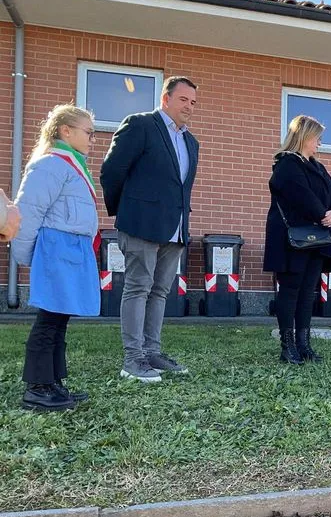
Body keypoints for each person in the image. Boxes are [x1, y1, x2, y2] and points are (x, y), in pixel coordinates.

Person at [101, 76, 200, 382]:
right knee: (138, 287)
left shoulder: (190, 141)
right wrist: (128, 211)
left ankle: (152, 353)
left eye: (194, 102)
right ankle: (132, 360)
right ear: (166, 99)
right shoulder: (141, 125)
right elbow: (112, 171)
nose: (189, 107)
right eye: (183, 99)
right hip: (141, 223)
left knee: (160, 291)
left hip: (175, 228)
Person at [11, 104, 99, 411]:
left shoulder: (71, 164)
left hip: (69, 250)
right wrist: (27, 256)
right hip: (56, 249)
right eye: (88, 132)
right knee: (49, 319)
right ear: (66, 131)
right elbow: (28, 211)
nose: (92, 139)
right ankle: (37, 388)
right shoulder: (51, 164)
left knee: (59, 318)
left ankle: (53, 383)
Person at [263, 115, 331, 364]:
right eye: (317, 137)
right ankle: (287, 347)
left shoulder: (318, 167)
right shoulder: (287, 164)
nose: (320, 142)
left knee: (308, 292)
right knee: (290, 291)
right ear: (303, 136)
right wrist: (328, 219)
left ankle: (303, 345)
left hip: (315, 241)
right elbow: (304, 198)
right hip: (293, 241)